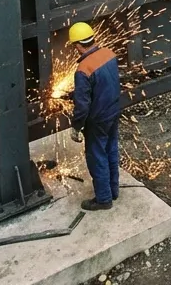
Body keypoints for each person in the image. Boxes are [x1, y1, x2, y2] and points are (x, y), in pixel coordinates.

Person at [68, 21, 121, 210]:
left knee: (97, 156)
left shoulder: (83, 69)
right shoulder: (109, 54)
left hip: (98, 120)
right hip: (114, 112)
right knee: (111, 149)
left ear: (77, 45)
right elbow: (105, 83)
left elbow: (82, 107)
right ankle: (113, 190)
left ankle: (104, 199)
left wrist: (76, 126)